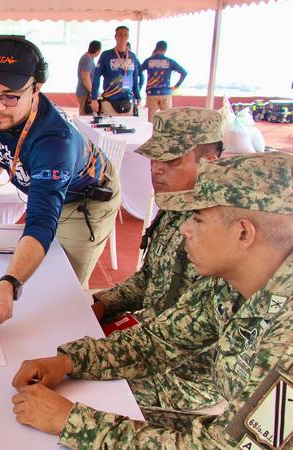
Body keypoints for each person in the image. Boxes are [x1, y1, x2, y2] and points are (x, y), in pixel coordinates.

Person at [10, 152, 293, 448]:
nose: (184, 229)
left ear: (243, 233)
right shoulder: (228, 285)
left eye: (197, 218)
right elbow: (160, 341)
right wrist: (69, 361)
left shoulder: (286, 340)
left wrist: (72, 422)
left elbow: (221, 446)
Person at [0, 36, 120, 328]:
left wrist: (9, 282)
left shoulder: (56, 141)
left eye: (10, 96)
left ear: (36, 88)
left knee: (60, 291)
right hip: (42, 185)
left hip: (84, 199)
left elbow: (41, 221)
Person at [91, 107, 224, 412]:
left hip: (183, 376)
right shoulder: (174, 208)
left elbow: (183, 334)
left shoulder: (220, 231)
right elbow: (149, 277)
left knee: (74, 387)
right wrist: (106, 304)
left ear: (209, 163)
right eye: (154, 158)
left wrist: (103, 349)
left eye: (171, 161)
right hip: (150, 341)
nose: (156, 169)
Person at [91, 26, 141, 116]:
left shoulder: (133, 57)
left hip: (128, 102)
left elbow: (135, 78)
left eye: (125, 35)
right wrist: (94, 98)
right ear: (115, 37)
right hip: (110, 102)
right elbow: (96, 77)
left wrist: (138, 97)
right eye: (120, 35)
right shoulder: (106, 55)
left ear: (128, 37)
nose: (123, 37)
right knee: (109, 125)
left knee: (128, 125)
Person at [140, 41, 188, 121]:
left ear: (156, 48)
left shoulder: (148, 61)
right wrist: (176, 86)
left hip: (152, 93)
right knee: (167, 120)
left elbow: (138, 71)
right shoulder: (170, 61)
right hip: (165, 93)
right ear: (165, 50)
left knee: (151, 120)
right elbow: (184, 73)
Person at [75, 40, 101, 115]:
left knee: (88, 115)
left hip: (85, 92)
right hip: (85, 93)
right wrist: (93, 92)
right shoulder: (87, 59)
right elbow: (85, 78)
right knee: (86, 116)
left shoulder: (88, 58)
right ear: (98, 51)